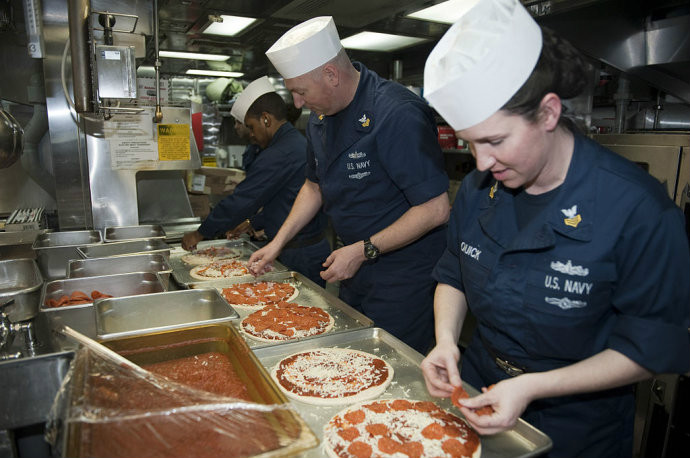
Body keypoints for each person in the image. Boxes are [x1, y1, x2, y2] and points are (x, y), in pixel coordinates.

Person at [419, 1, 690, 457]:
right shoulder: (476, 189)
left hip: (578, 421)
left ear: (547, 113)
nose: (481, 162)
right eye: (470, 143)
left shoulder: (638, 209)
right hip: (481, 387)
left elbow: (651, 348)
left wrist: (533, 387)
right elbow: (453, 275)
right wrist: (446, 340)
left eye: (495, 141)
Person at [249, 16, 450, 354]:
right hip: (353, 263)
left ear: (330, 74)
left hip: (403, 273)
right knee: (355, 356)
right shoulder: (320, 118)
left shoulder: (397, 113)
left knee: (391, 360)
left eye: (300, 92)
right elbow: (313, 186)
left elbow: (435, 208)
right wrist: (278, 243)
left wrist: (363, 250)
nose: (297, 104)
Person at [182, 76, 331, 287]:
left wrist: (199, 233)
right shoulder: (291, 143)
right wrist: (253, 222)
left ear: (266, 119)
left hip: (300, 253)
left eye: (251, 127)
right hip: (302, 247)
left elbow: (242, 200)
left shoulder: (279, 153)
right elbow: (284, 201)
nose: (251, 135)